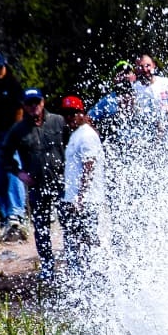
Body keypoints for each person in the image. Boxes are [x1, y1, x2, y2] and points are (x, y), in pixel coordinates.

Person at [3, 88, 67, 280]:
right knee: (41, 227)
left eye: (36, 102)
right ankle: (47, 266)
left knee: (68, 223)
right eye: (29, 103)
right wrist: (20, 174)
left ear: (43, 102)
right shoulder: (17, 130)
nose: (34, 106)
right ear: (24, 105)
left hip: (62, 182)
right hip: (37, 185)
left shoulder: (58, 121)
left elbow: (73, 144)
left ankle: (73, 262)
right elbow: (4, 157)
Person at [58, 96, 104, 279]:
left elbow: (89, 166)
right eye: (66, 114)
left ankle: (92, 278)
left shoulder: (86, 135)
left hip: (86, 201)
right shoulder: (76, 134)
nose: (69, 118)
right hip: (76, 199)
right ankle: (80, 278)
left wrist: (80, 196)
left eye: (73, 114)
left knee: (86, 241)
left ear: (81, 114)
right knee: (74, 241)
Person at [0, 53, 27, 240]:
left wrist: (16, 133)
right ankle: (3, 213)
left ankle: (16, 212)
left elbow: (20, 109)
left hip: (11, 133)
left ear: (5, 67)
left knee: (13, 171)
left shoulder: (13, 85)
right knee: (0, 172)